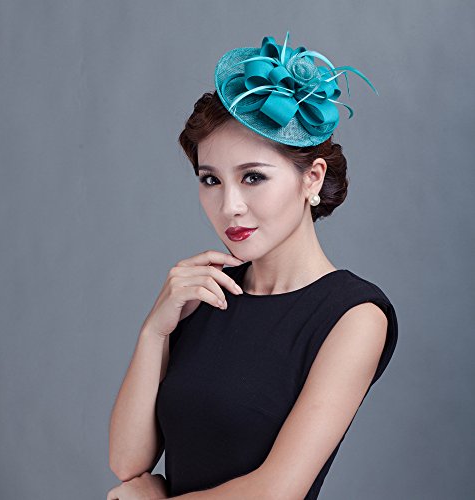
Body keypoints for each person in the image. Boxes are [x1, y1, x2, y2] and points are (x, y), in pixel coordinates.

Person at [107, 31, 398, 500]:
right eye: (211, 180)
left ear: (312, 178)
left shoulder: (354, 315)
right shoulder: (204, 292)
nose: (230, 207)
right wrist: (154, 332)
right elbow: (127, 463)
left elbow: (278, 490)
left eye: (253, 177)